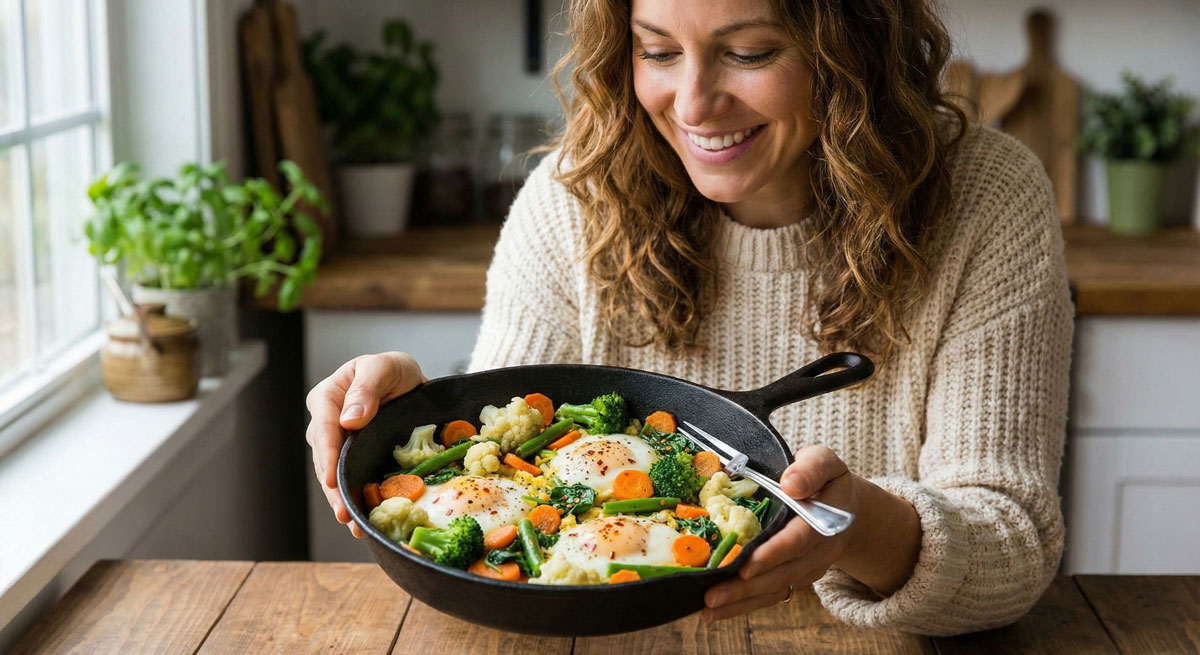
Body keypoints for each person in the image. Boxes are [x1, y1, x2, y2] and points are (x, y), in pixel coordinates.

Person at [305, 0, 1073, 636]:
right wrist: (419, 411)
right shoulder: (575, 196)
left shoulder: (987, 200)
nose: (695, 103)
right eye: (658, 51)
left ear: (854, 50)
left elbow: (1015, 548)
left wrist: (865, 527)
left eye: (749, 52)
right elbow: (507, 468)